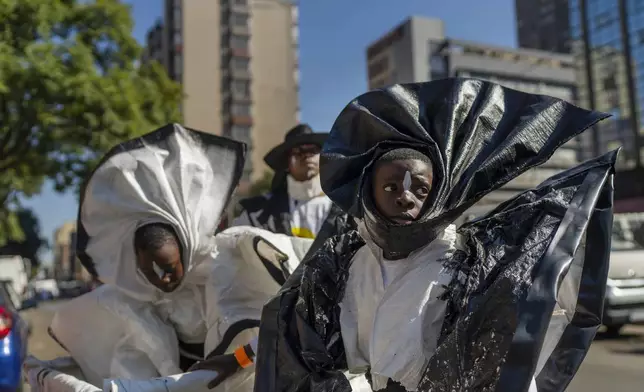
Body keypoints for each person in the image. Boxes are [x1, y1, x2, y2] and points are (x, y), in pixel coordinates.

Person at [242, 78, 615, 392]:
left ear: (437, 193)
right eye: (391, 188)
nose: (406, 197)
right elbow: (301, 338)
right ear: (368, 191)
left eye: (419, 189)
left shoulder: (466, 261)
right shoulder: (343, 262)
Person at [23, 124, 319, 392]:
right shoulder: (136, 297)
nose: (160, 279)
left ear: (186, 245)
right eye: (147, 269)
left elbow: (282, 328)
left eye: (166, 266)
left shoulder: (237, 264)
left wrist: (236, 360)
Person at [232, 124, 351, 249]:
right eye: (298, 152)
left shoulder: (347, 209)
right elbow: (233, 248)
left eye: (313, 150)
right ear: (286, 163)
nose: (306, 155)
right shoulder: (256, 213)